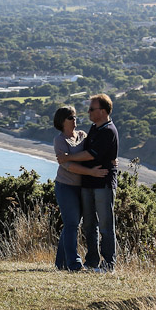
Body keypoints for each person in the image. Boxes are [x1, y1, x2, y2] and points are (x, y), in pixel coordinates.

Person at [57, 94, 119, 272]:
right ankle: (92, 261)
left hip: (103, 183)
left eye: (92, 109)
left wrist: (68, 157)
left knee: (106, 225)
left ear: (103, 111)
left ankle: (108, 264)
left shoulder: (108, 130)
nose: (89, 112)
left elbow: (91, 154)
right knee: (89, 225)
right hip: (88, 183)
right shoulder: (94, 129)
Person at [51, 106, 106, 271]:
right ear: (62, 121)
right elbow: (68, 166)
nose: (74, 120)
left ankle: (60, 263)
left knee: (71, 224)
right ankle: (74, 263)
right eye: (70, 117)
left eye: (75, 117)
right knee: (72, 223)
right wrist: (91, 172)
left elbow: (93, 153)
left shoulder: (82, 135)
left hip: (82, 187)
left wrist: (109, 160)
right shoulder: (59, 140)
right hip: (65, 186)